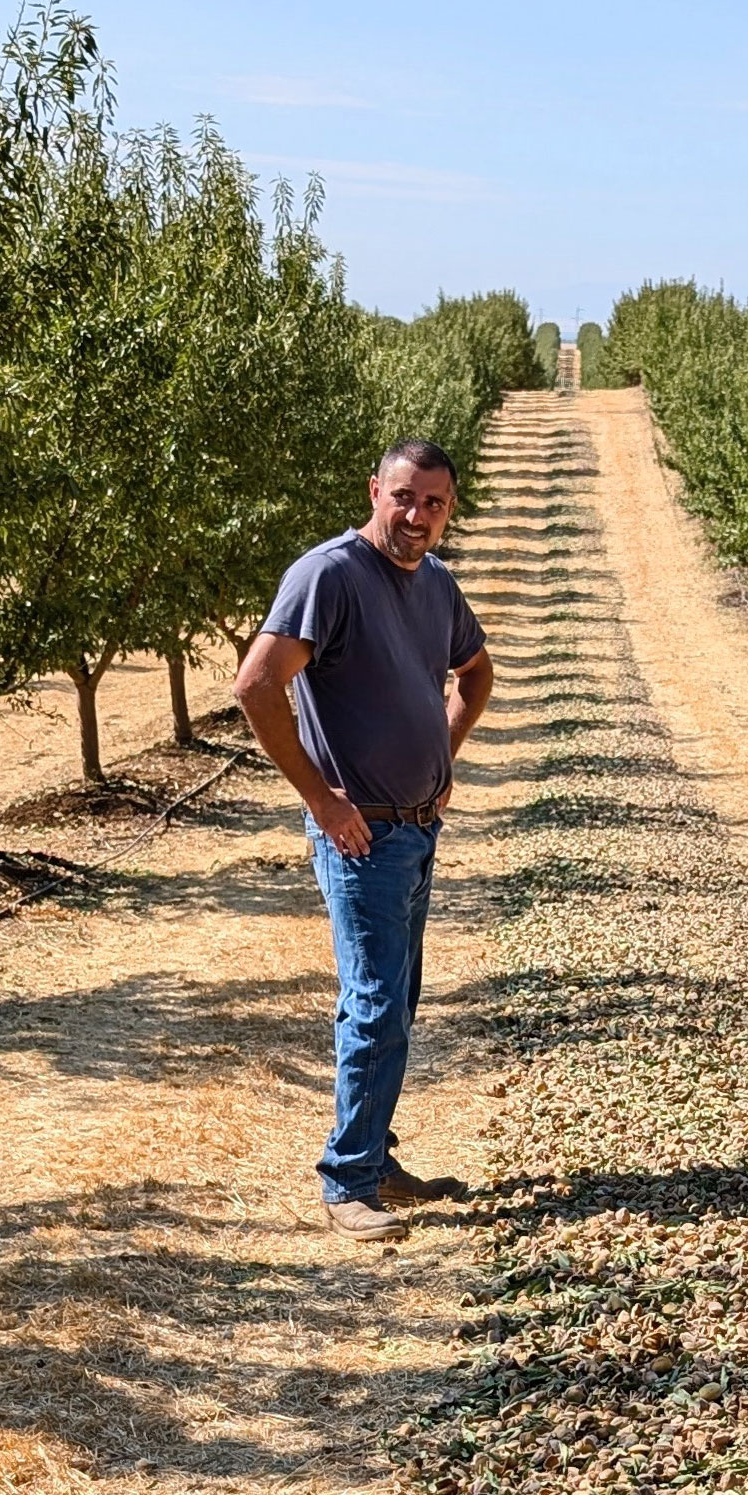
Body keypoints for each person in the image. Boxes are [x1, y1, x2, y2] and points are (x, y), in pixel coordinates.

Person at [235, 440, 494, 1241]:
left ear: (449, 510)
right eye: (405, 498)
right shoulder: (330, 577)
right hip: (361, 839)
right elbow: (255, 684)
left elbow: (476, 674)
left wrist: (441, 756)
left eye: (435, 504)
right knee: (376, 1006)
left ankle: (375, 1159)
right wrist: (321, 797)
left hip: (417, 831)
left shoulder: (437, 584)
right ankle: (346, 1181)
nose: (417, 517)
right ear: (375, 490)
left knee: (398, 1003)